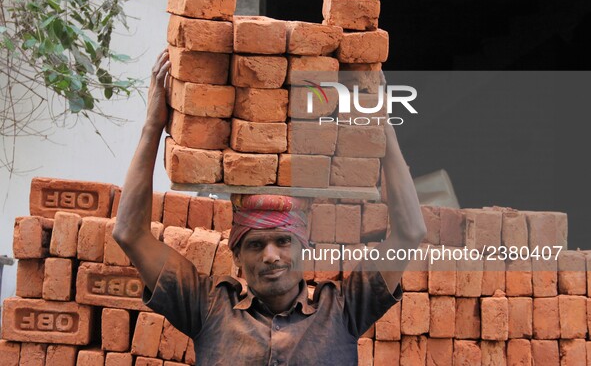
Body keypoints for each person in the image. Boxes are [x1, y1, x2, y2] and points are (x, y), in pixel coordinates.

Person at [113, 49, 427, 365]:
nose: (271, 255)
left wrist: (382, 126)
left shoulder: (345, 311)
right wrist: (152, 126)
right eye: (255, 244)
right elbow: (129, 233)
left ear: (305, 246)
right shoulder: (207, 309)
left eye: (283, 240)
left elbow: (410, 232)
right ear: (235, 255)